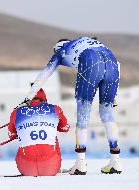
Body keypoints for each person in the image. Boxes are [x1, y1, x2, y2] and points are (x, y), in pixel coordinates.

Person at [20, 36, 123, 175]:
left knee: (83, 116)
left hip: (90, 60)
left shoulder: (61, 51)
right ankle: (116, 161)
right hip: (112, 62)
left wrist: (28, 98)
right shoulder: (83, 40)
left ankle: (80, 164)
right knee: (107, 113)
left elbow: (44, 74)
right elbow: (117, 63)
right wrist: (114, 95)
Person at [9, 88, 70, 176]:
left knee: (22, 139)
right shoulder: (55, 109)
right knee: (53, 137)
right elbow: (65, 128)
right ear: (44, 98)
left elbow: (11, 135)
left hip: (26, 168)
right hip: (51, 167)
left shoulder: (16, 111)